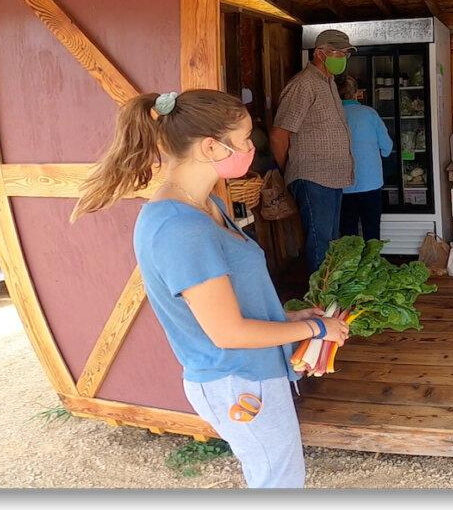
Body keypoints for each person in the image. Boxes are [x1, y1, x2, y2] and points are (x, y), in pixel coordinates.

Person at [71, 89, 349, 488]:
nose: (252, 147)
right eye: (245, 139)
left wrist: (288, 317)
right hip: (237, 381)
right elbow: (227, 333)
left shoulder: (206, 206)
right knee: (279, 483)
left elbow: (223, 308)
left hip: (251, 373)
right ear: (210, 147)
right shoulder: (180, 227)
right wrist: (319, 330)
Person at [270, 30, 355, 272]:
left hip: (332, 177)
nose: (343, 57)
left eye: (346, 53)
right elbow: (279, 135)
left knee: (331, 240)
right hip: (313, 177)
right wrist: (292, 170)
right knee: (321, 242)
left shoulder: (327, 83)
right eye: (339, 52)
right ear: (320, 53)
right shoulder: (303, 85)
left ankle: (329, 296)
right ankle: (319, 304)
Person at [336, 74, 393, 241]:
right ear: (356, 93)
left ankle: (351, 266)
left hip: (343, 186)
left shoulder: (333, 117)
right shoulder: (369, 114)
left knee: (348, 235)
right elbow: (387, 148)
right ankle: (372, 263)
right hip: (371, 183)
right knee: (372, 234)